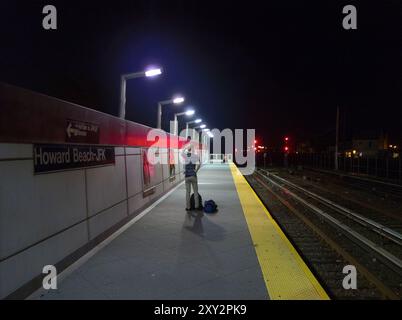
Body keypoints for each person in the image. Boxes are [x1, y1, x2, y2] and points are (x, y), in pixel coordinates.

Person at [182, 138, 201, 211]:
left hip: (187, 176)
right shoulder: (195, 156)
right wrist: (196, 170)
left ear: (188, 149)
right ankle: (196, 207)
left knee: (188, 192)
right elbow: (199, 164)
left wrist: (186, 147)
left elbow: (182, 152)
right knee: (195, 192)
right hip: (193, 175)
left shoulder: (185, 155)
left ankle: (188, 207)